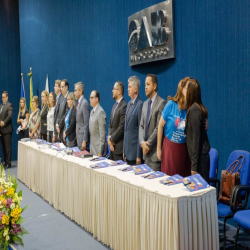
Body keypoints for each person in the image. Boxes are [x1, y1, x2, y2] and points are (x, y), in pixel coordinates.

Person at [157, 77, 192, 177]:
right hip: (170, 148)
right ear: (182, 90)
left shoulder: (191, 108)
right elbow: (160, 126)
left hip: (184, 149)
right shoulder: (171, 105)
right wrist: (159, 149)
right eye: (187, 88)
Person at [185, 78, 211, 183]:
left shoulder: (194, 110)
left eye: (186, 88)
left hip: (200, 161)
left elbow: (196, 139)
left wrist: (194, 167)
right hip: (199, 159)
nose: (184, 90)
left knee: (200, 194)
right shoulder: (193, 108)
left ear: (191, 91)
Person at [139, 74, 166, 171]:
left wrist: (148, 144)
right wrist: (142, 143)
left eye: (148, 84)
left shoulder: (162, 103)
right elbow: (141, 126)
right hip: (145, 154)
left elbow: (158, 127)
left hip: (154, 154)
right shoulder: (145, 104)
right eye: (145, 85)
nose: (145, 87)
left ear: (154, 86)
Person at [123, 76, 143, 165]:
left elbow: (140, 131)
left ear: (136, 89)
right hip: (127, 151)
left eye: (130, 87)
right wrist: (124, 150)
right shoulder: (128, 104)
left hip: (135, 153)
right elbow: (126, 129)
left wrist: (139, 155)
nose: (128, 89)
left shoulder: (140, 104)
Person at [108, 81, 127, 160]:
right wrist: (109, 139)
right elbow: (110, 125)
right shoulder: (114, 106)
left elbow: (121, 127)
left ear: (119, 91)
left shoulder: (124, 106)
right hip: (112, 147)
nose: (112, 91)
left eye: (114, 89)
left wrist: (111, 139)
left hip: (118, 148)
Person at [89, 90, 106, 156]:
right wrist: (91, 148)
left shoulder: (100, 112)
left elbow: (102, 134)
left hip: (98, 150)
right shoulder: (91, 112)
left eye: (92, 98)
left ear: (97, 99)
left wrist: (100, 151)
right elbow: (92, 133)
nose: (90, 99)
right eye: (90, 98)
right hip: (92, 148)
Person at [74, 82, 90, 150]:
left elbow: (86, 123)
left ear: (80, 91)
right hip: (78, 138)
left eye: (75, 90)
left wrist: (84, 140)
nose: (74, 92)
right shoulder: (78, 103)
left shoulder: (84, 103)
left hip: (82, 140)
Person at [0, 91, 13, 169]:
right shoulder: (1, 106)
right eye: (2, 97)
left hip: (7, 130)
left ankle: (8, 163)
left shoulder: (9, 105)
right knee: (3, 147)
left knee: (8, 148)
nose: (3, 98)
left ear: (7, 97)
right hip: (1, 130)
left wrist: (3, 123)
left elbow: (10, 116)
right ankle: (5, 162)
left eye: (4, 97)